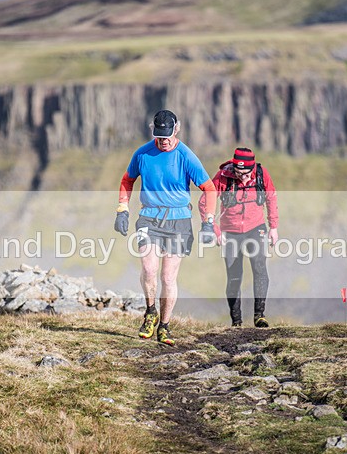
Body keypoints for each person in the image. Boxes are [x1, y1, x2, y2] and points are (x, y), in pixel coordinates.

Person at [114, 109, 217, 345]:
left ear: (177, 129)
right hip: (149, 218)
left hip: (179, 221)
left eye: (168, 135)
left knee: (168, 277)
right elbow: (127, 180)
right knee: (149, 270)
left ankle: (165, 326)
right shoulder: (143, 154)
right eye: (160, 136)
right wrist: (122, 209)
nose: (164, 141)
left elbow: (209, 188)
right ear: (154, 132)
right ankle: (150, 313)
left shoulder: (185, 155)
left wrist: (208, 222)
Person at [199, 147, 279, 327]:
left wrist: (273, 227)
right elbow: (204, 203)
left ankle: (260, 316)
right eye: (238, 172)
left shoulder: (261, 173)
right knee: (234, 276)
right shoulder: (223, 176)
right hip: (230, 233)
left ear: (252, 169)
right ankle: (237, 322)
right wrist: (215, 231)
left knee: (260, 269)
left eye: (245, 174)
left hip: (256, 228)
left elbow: (271, 198)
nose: (242, 177)